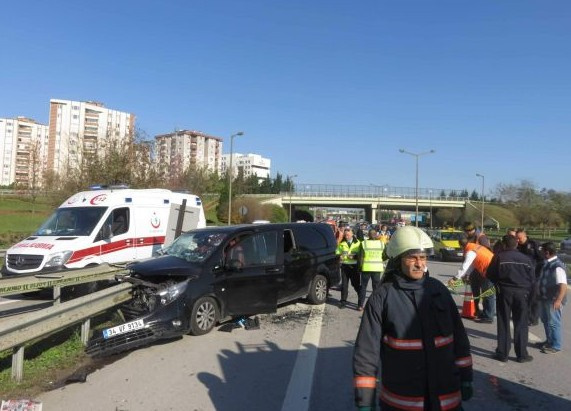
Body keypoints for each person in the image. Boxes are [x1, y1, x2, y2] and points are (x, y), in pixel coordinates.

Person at [353, 226, 473, 411]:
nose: (419, 264)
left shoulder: (439, 291)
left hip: (446, 399)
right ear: (398, 260)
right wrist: (364, 400)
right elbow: (366, 352)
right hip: (402, 402)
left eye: (423, 258)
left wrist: (466, 376)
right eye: (412, 258)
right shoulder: (382, 297)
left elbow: (459, 337)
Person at [487, 235, 535, 363]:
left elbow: (490, 274)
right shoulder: (526, 259)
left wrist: (499, 283)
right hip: (522, 293)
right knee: (521, 322)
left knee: (503, 321)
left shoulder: (499, 257)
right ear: (516, 244)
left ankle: (503, 353)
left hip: (504, 291)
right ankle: (522, 354)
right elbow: (532, 279)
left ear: (504, 245)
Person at [452, 234, 496, 323]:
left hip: (490, 271)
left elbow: (465, 266)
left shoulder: (470, 251)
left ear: (461, 245)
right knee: (485, 293)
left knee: (488, 295)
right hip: (490, 269)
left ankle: (488, 317)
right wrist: (465, 275)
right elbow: (471, 266)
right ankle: (485, 313)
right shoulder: (474, 247)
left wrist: (455, 278)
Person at [536, 242, 568, 354]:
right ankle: (549, 341)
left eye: (542, 250)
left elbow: (563, 285)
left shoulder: (557, 266)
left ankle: (556, 345)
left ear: (547, 252)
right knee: (546, 320)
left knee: (554, 322)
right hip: (544, 297)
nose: (540, 252)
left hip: (553, 300)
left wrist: (558, 300)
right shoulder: (547, 263)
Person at [515, 229, 544, 326]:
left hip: (534, 276)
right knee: (524, 298)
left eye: (519, 238)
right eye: (516, 238)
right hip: (522, 276)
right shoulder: (517, 246)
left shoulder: (534, 244)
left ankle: (533, 318)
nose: (518, 240)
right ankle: (525, 316)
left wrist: (536, 271)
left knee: (534, 298)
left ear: (525, 236)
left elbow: (542, 259)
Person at [357, 228, 385, 311]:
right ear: (376, 235)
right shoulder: (381, 244)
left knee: (363, 287)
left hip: (366, 268)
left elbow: (360, 257)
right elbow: (386, 255)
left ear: (368, 235)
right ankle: (376, 306)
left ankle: (360, 305)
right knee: (376, 288)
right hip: (377, 268)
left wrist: (359, 267)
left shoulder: (364, 243)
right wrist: (380, 259)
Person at [336, 227, 362, 308]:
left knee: (356, 285)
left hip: (354, 267)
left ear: (352, 234)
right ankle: (343, 302)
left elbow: (361, 255)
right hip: (345, 266)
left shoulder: (358, 243)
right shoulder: (342, 243)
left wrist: (354, 257)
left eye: (347, 235)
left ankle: (360, 302)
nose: (346, 236)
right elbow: (337, 252)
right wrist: (339, 256)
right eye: (345, 235)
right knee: (344, 285)